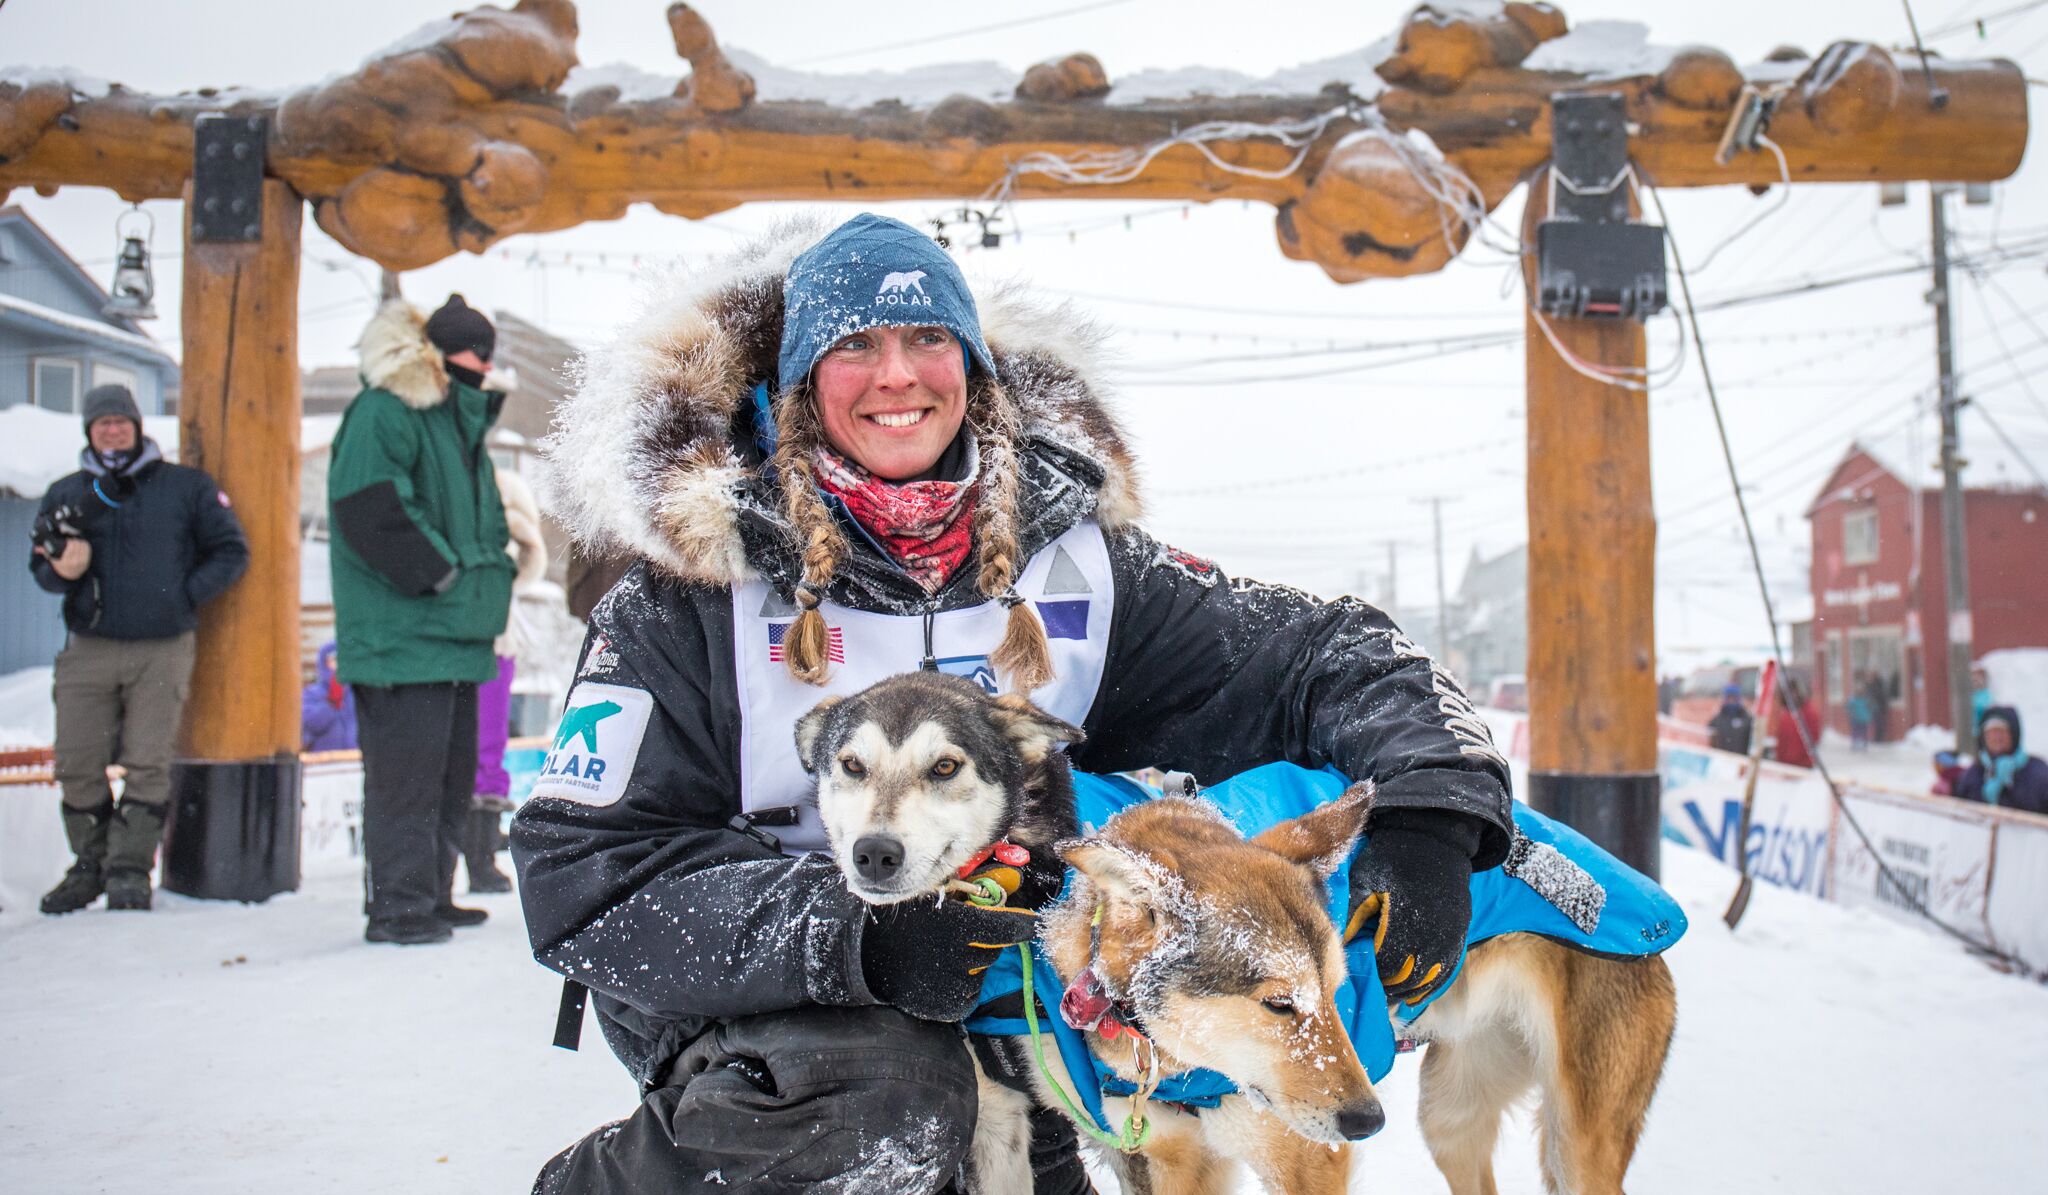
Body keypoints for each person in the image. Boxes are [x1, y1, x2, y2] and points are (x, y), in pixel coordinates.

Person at [512, 214, 1517, 1193]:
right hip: (766, 993)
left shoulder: (1079, 562)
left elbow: (1334, 652)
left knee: (1019, 1133)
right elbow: (583, 869)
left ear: (973, 368)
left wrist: (1432, 817)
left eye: (927, 339)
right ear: (798, 384)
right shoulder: (687, 598)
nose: (897, 374)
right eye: (854, 345)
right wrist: (859, 936)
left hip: (1001, 976)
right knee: (893, 1098)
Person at [329, 294, 515, 945]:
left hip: (458, 633)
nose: (482, 365)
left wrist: (488, 576)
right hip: (402, 636)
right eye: (472, 350)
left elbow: (488, 524)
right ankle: (398, 906)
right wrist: (443, 574)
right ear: (436, 352)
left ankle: (431, 894)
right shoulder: (387, 409)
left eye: (488, 353)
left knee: (450, 776)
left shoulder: (459, 425)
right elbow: (369, 506)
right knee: (405, 782)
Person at [30, 384, 249, 914]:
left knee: (148, 761)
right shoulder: (67, 493)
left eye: (121, 421)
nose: (112, 429)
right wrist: (63, 571)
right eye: (102, 421)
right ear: (89, 429)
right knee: (77, 760)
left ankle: (130, 870)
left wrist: (182, 596)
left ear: (137, 426)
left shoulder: (184, 487)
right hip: (90, 645)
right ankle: (89, 866)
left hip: (162, 645)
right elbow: (42, 569)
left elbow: (231, 550)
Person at [465, 465, 549, 894]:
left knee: (487, 745)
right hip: (474, 633)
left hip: (494, 634)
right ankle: (471, 852)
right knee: (475, 747)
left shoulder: (495, 485)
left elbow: (524, 555)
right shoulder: (484, 485)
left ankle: (478, 850)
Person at [1953, 706, 2048, 815]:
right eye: (1991, 732)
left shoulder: (2038, 773)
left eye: (2002, 731)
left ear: (2014, 734)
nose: (1996, 737)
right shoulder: (1973, 774)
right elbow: (1956, 815)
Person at [301, 640, 357, 752]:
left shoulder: (356, 693)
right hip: (323, 761)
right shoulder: (312, 693)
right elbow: (310, 725)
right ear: (324, 663)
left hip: (355, 761)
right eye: (335, 660)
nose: (340, 664)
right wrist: (331, 703)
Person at [1770, 678, 1823, 769]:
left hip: (1802, 765)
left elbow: (1814, 737)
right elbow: (1781, 739)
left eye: (1794, 692)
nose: (1793, 696)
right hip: (1785, 764)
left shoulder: (1808, 712)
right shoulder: (1785, 714)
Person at [1708, 683, 1754, 755]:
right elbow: (1710, 737)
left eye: (1734, 698)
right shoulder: (1717, 719)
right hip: (1721, 759)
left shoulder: (1747, 719)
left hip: (1740, 761)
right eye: (1728, 698)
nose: (1731, 701)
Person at [1862, 669, 1893, 745]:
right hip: (1874, 707)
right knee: (1876, 722)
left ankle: (1879, 738)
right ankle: (1876, 737)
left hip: (1878, 706)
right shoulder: (1870, 685)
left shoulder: (1878, 684)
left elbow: (1880, 695)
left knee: (1879, 723)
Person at [1847, 672, 1874, 751]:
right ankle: (1857, 743)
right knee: (1857, 732)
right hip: (1857, 718)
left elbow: (1870, 707)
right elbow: (1849, 706)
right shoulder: (1854, 700)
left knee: (1862, 732)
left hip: (1862, 718)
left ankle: (1862, 744)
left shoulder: (1864, 700)